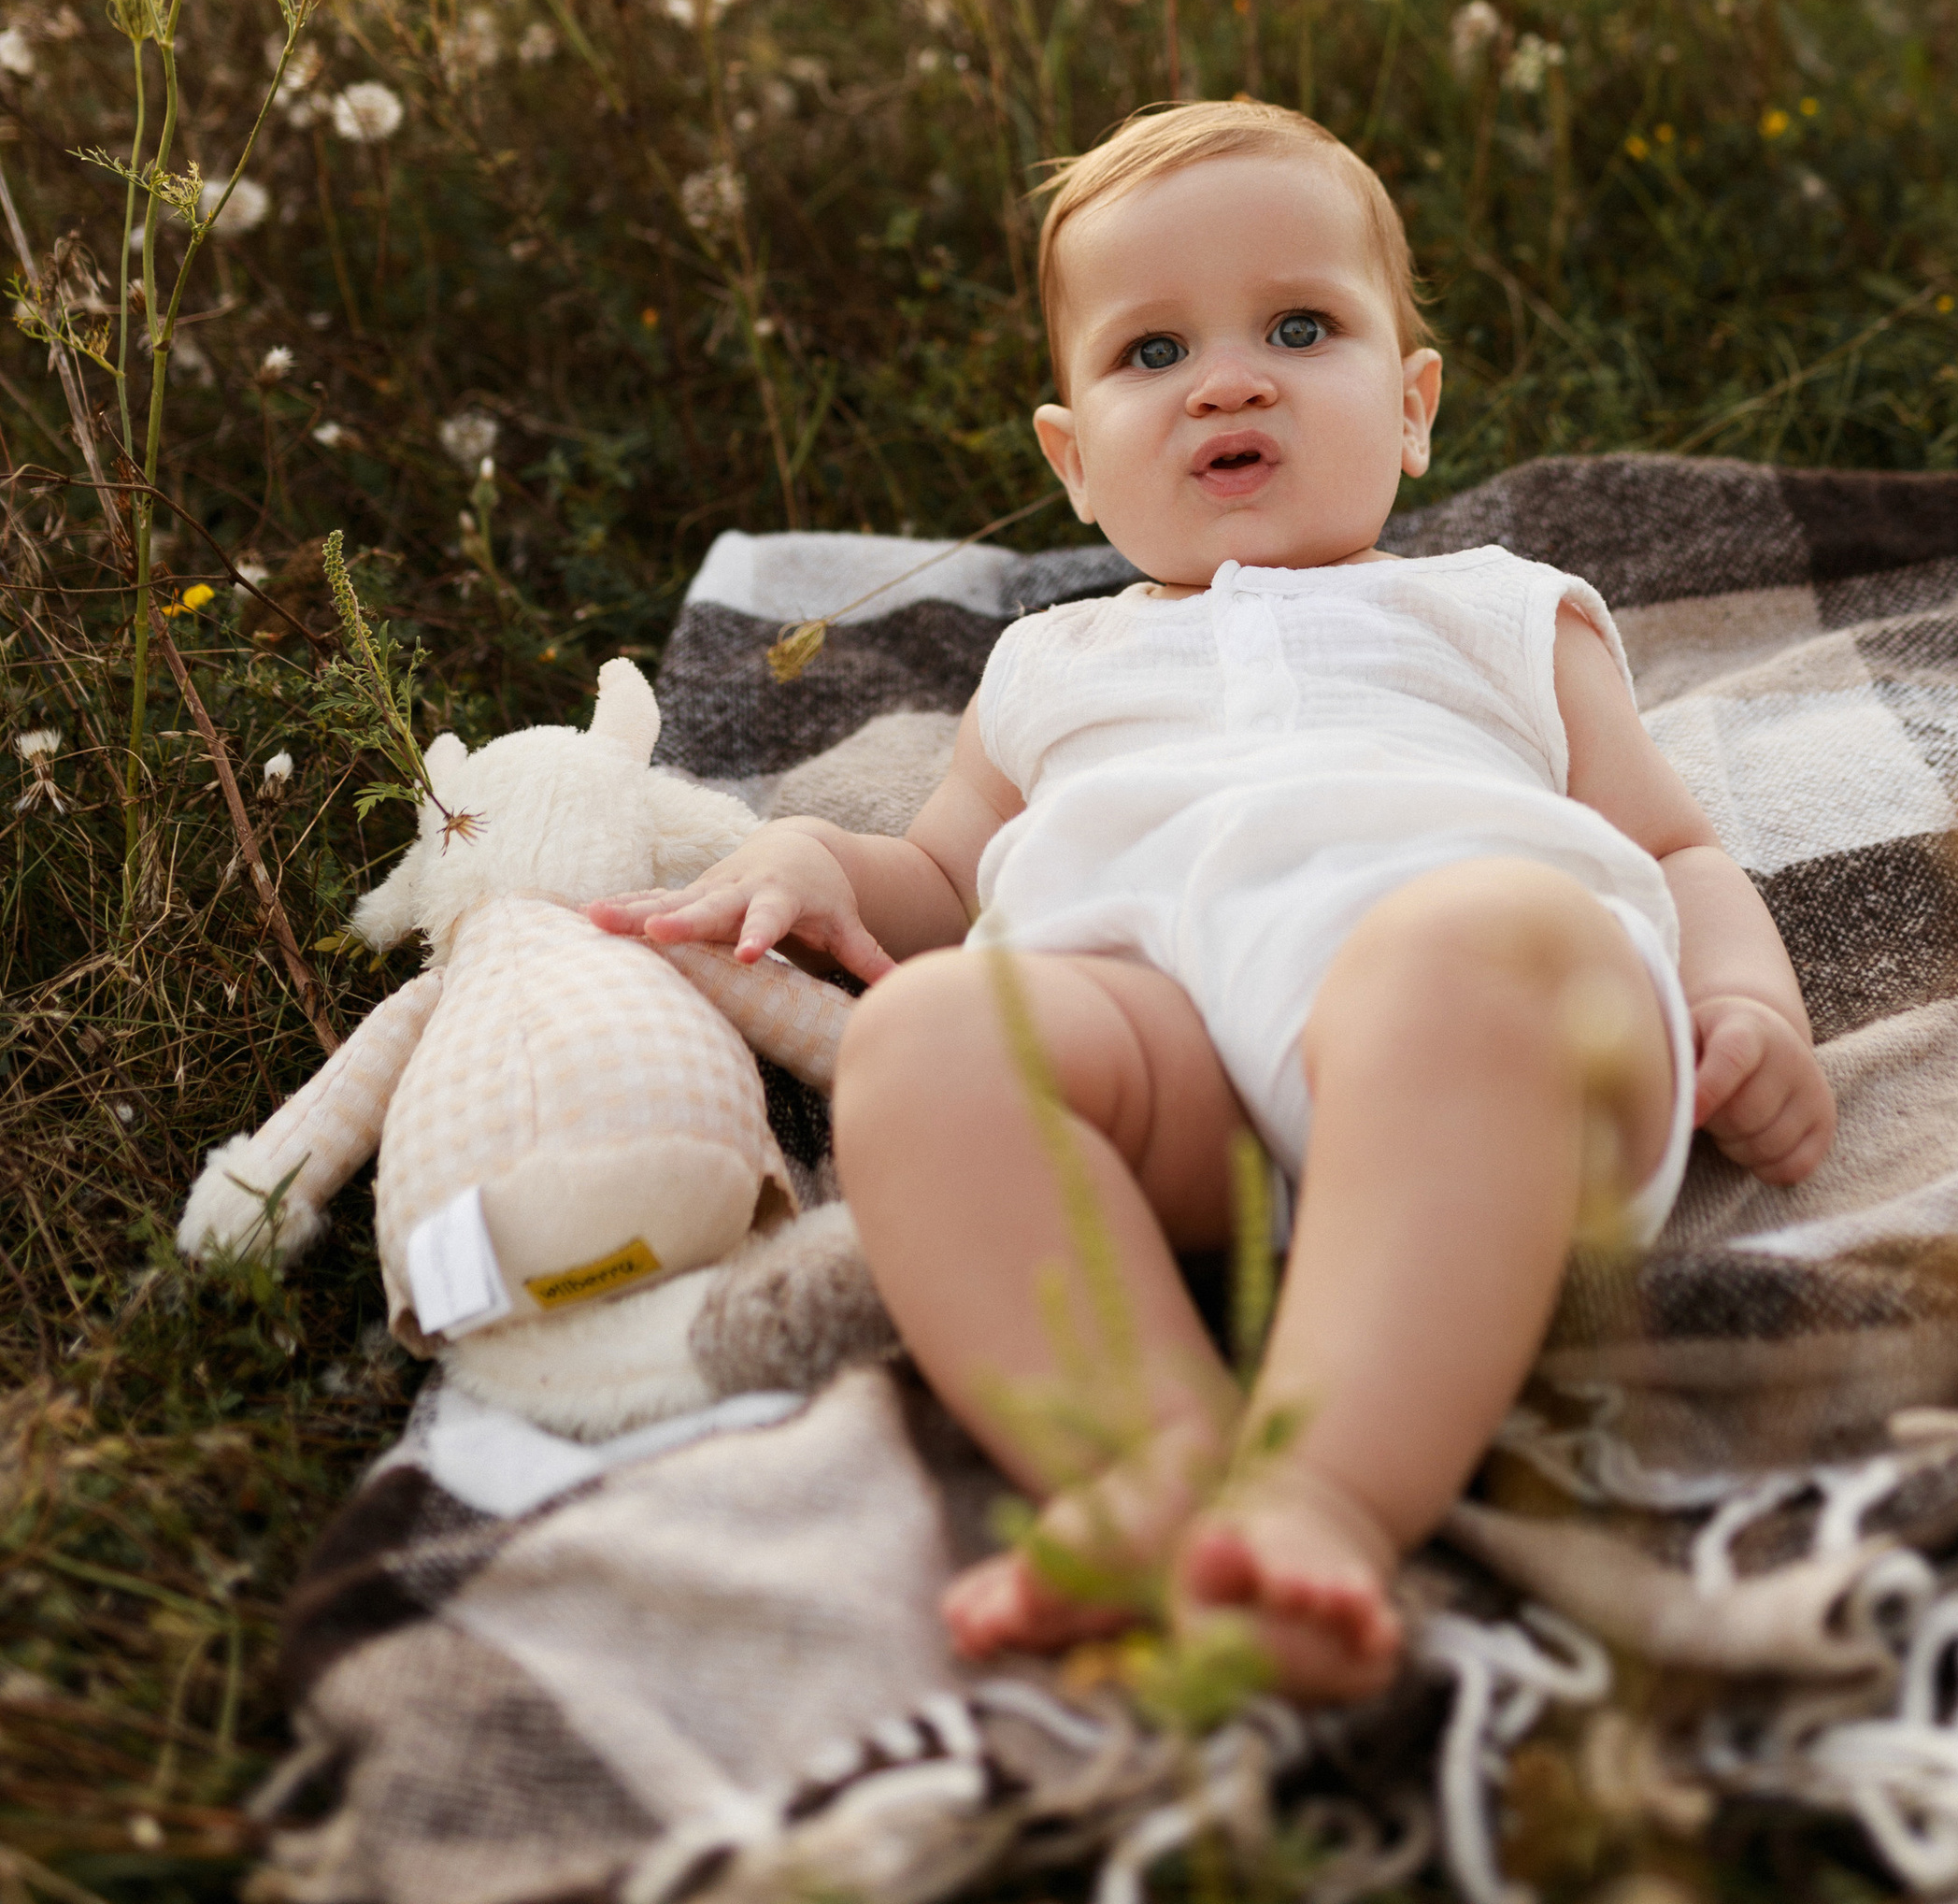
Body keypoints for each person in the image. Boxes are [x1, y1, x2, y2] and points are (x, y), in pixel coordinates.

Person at [591, 100, 1834, 1697]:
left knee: (1451, 949)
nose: (1228, 380)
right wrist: (816, 864)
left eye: (1298, 328)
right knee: (930, 1032)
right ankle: (1142, 1463)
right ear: (1075, 464)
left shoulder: (1495, 611)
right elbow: (943, 882)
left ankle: (1323, 1496)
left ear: (1411, 406)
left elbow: (1674, 853)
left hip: (1496, 1048)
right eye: (1152, 355)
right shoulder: (1047, 663)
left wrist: (1747, 1004)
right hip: (1187, 1086)